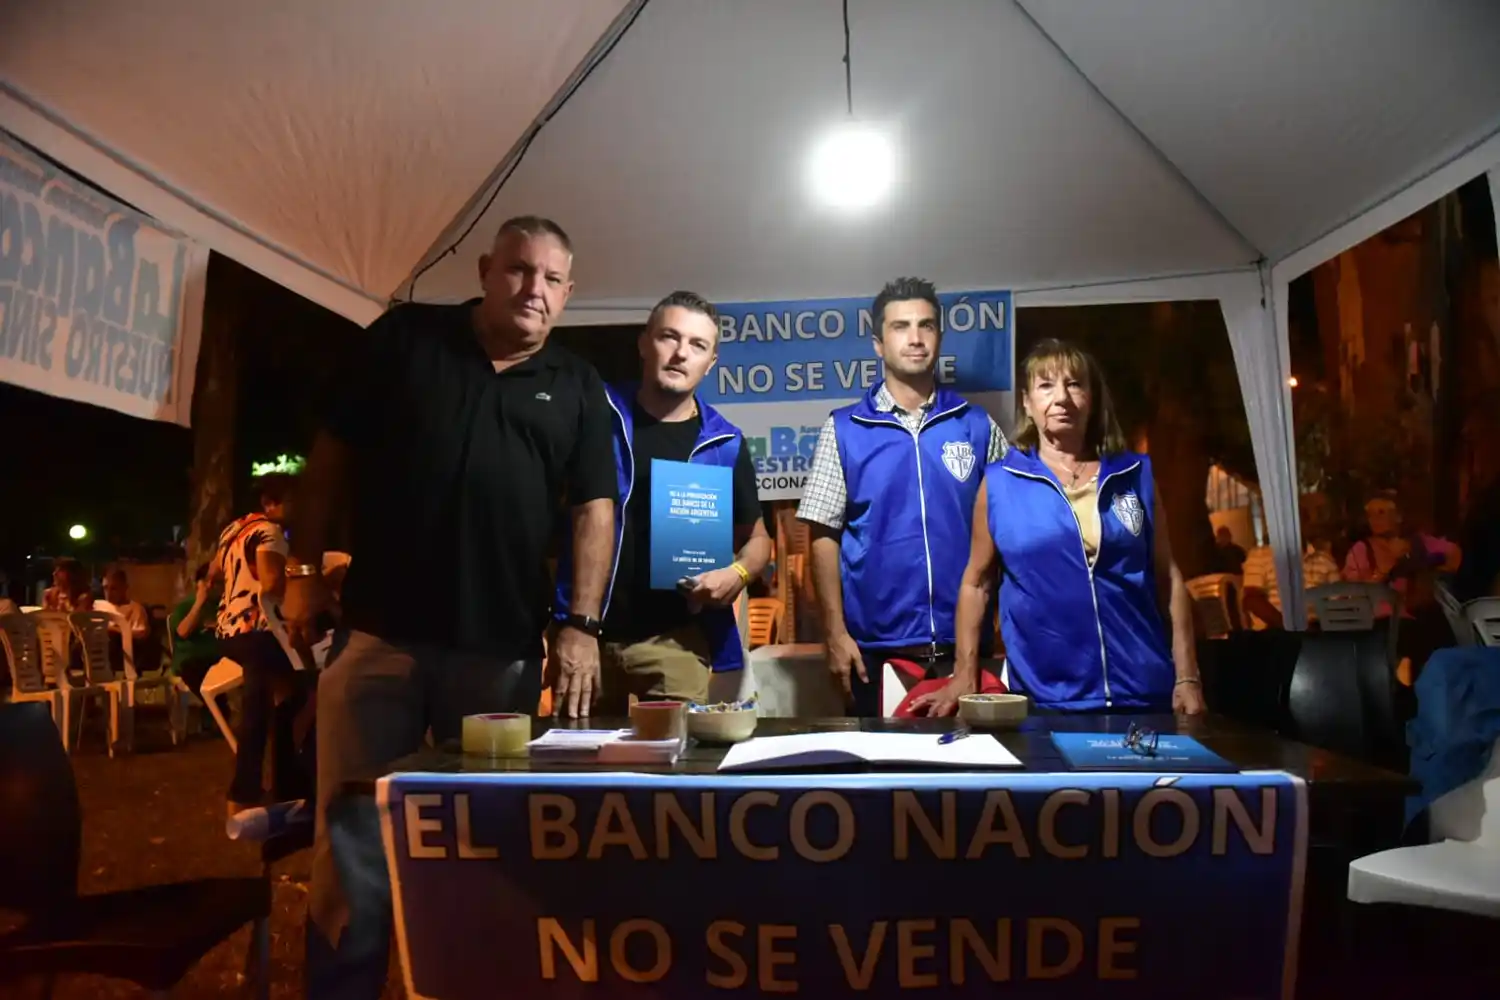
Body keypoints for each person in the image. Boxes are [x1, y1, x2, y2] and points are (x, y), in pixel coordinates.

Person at [280, 216, 616, 999]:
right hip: (377, 640)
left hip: (499, 657)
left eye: (551, 279)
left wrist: (582, 625)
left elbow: (595, 509)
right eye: (518, 270)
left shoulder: (575, 384)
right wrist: (301, 571)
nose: (533, 289)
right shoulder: (404, 340)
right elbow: (328, 458)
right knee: (350, 839)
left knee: (487, 845)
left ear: (569, 294)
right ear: (485, 268)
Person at [913, 338, 1205, 716]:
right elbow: (976, 583)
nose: (1062, 398)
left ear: (1093, 398)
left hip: (1145, 693)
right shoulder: (1001, 483)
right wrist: (964, 674)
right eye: (1046, 385)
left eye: (1074, 384)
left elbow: (1168, 578)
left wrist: (1187, 678)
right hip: (1046, 698)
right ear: (1027, 403)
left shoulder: (1135, 474)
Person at [797, 277, 1008, 717]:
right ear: (878, 343)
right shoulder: (844, 429)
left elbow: (1011, 529)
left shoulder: (976, 425)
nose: (915, 338)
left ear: (940, 337)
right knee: (882, 781)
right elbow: (821, 536)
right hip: (875, 654)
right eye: (900, 327)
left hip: (967, 651)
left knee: (971, 780)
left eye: (926, 326)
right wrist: (834, 635)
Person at [555, 291, 771, 711]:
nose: (680, 353)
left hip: (677, 639)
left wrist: (738, 573)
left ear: (711, 362)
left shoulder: (724, 441)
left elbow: (758, 539)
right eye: (669, 337)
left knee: (677, 765)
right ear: (643, 343)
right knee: (579, 765)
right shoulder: (596, 412)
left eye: (697, 345)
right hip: (587, 634)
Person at [213, 473, 308, 815]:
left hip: (227, 631)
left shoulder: (233, 530)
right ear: (272, 504)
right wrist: (312, 580)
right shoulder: (269, 531)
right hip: (257, 631)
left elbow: (213, 574)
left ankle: (281, 787)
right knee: (291, 692)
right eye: (295, 502)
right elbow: (271, 585)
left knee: (290, 693)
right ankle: (247, 791)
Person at [168, 563, 221, 698]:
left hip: (216, 660)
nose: (211, 586)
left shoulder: (221, 606)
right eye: (208, 581)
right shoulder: (187, 606)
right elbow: (182, 631)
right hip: (191, 661)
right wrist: (199, 603)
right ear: (199, 584)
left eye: (217, 582)